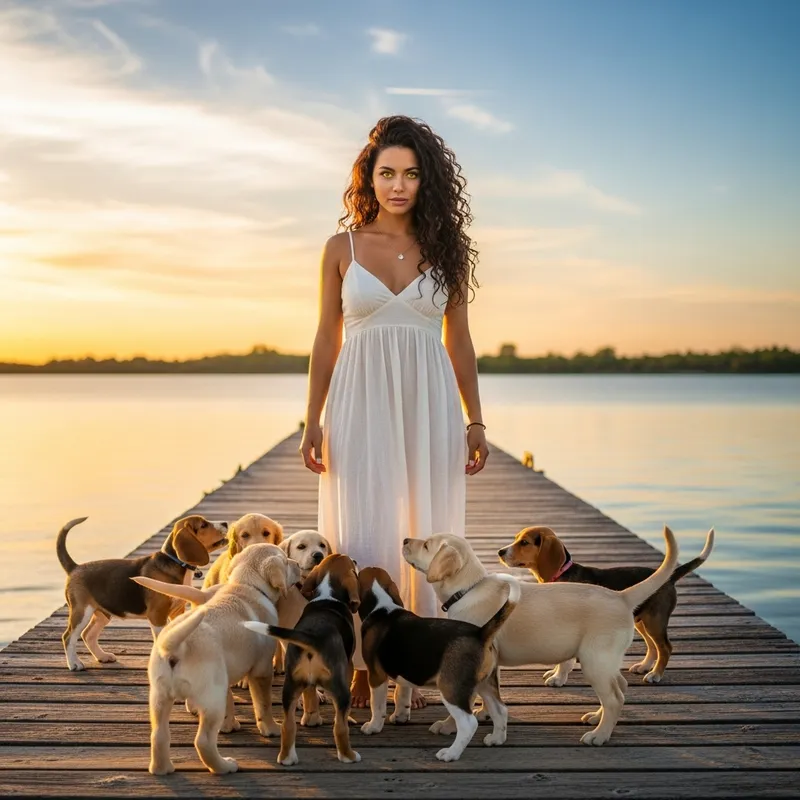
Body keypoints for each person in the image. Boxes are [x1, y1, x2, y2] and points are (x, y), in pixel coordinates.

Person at [300, 115, 488, 709]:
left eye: (410, 174)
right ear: (369, 178)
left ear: (426, 180)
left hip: (429, 395)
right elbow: (326, 339)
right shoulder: (341, 248)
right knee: (361, 517)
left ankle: (423, 654)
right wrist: (313, 418)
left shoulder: (447, 252)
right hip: (358, 394)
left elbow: (459, 341)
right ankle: (359, 660)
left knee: (427, 514)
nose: (398, 185)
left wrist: (474, 419)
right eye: (387, 173)